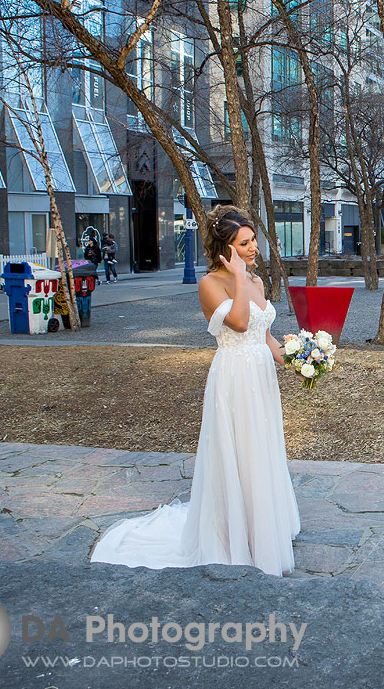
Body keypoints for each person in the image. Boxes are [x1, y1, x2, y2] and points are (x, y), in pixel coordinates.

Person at [91, 205, 301, 576]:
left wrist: (301, 363)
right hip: (234, 377)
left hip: (261, 378)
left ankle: (261, 529)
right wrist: (236, 276)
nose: (253, 249)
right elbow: (237, 323)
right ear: (226, 248)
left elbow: (265, 336)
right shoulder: (211, 284)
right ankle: (231, 535)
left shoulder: (256, 281)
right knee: (238, 450)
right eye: (244, 244)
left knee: (261, 447)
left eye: (253, 241)